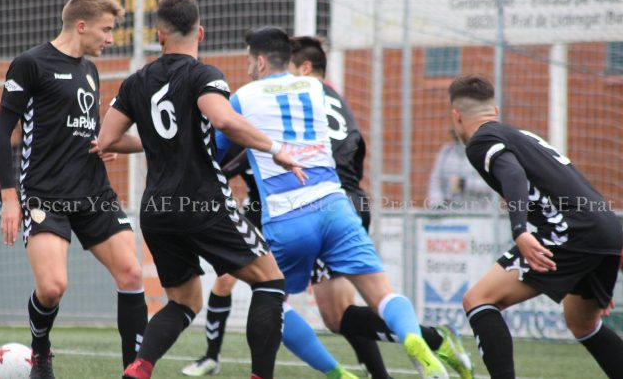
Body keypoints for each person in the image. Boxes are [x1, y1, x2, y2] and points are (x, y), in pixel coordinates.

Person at [215, 26, 449, 379]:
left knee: (273, 302)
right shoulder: (315, 87)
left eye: (249, 61)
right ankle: (413, 338)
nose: (248, 68)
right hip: (335, 206)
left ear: (260, 61)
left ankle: (337, 373)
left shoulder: (243, 98)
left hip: (287, 215)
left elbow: (216, 151)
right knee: (382, 295)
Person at [98, 0, 303, 379]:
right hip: (203, 203)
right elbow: (223, 120)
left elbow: (106, 140)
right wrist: (276, 148)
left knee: (184, 301)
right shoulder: (204, 75)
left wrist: (156, 142)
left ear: (159, 35)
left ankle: (139, 368)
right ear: (201, 32)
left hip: (157, 210)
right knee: (271, 281)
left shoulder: (135, 82)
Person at [0, 0, 147, 379]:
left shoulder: (90, 71)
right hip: (45, 194)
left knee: (131, 272)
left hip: (93, 191)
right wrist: (9, 197)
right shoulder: (30, 64)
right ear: (81, 25)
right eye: (106, 30)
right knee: (53, 287)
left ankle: (134, 371)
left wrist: (101, 144)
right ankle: (40, 350)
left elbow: (82, 125)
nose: (109, 39)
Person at [451, 75, 623, 379]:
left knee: (477, 299)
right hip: (604, 228)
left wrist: (520, 231)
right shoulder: (520, 135)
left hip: (574, 231)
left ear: (457, 116)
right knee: (583, 323)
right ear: (496, 110)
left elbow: (513, 175)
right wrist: (594, 260)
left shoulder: (481, 140)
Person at [427, 129, 494, 211]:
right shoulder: (446, 153)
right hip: (450, 213)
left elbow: (491, 187)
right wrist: (437, 205)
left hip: (478, 213)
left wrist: (465, 184)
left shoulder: (484, 153)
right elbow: (435, 181)